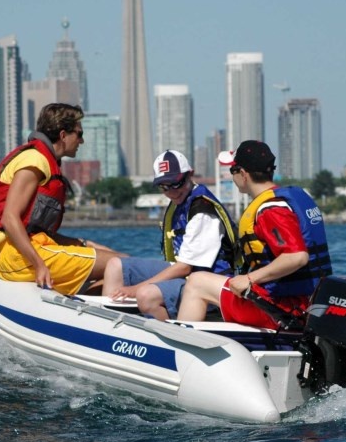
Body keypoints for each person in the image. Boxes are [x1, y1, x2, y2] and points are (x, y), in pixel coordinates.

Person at [176, 140, 332, 329]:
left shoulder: (270, 210)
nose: (232, 176)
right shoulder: (285, 200)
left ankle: (181, 342)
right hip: (304, 305)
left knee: (196, 282)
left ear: (243, 174)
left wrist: (249, 279)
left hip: (279, 310)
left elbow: (297, 256)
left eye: (232, 170)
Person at [0, 102, 124, 295]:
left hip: (29, 251)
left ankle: (89, 307)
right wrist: (39, 265)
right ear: (63, 135)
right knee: (125, 266)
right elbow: (10, 218)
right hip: (19, 257)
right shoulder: (34, 160)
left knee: (120, 261)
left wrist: (83, 244)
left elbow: (36, 231)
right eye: (79, 134)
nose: (82, 141)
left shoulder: (44, 161)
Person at [101, 150, 236, 320]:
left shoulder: (202, 210)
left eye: (176, 184)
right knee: (115, 266)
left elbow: (184, 267)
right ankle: (109, 325)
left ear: (190, 175)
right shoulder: (180, 202)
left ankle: (166, 333)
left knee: (145, 295)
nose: (171, 192)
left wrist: (134, 289)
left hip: (209, 283)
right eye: (164, 187)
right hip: (187, 273)